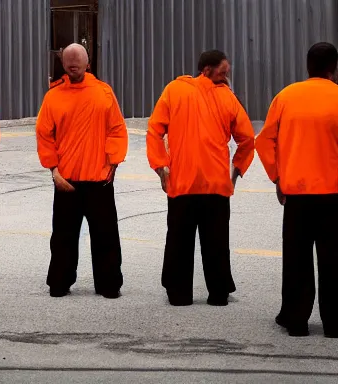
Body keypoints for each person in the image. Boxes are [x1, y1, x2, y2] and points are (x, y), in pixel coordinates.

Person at [147, 50, 255, 307]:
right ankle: (218, 293)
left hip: (182, 183)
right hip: (216, 184)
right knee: (216, 242)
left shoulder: (174, 90)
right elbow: (248, 138)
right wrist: (236, 170)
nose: (226, 76)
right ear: (207, 70)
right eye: (223, 72)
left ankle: (178, 293)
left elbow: (154, 130)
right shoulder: (227, 98)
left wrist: (161, 167)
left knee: (179, 241)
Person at [255, 42, 338, 338]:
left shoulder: (286, 96)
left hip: (297, 194)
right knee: (334, 259)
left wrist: (278, 177)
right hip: (333, 194)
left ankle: (296, 318)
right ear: (333, 68)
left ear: (308, 66)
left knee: (297, 258)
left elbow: (263, 141)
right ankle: (334, 322)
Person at [36, 43, 128, 299]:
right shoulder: (53, 96)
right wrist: (53, 171)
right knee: (63, 236)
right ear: (63, 65)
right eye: (68, 61)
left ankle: (109, 284)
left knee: (106, 235)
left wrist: (113, 162)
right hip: (67, 181)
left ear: (88, 64)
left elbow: (117, 130)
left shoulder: (104, 93)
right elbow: (45, 135)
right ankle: (59, 282)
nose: (72, 65)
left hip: (100, 178)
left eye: (77, 60)